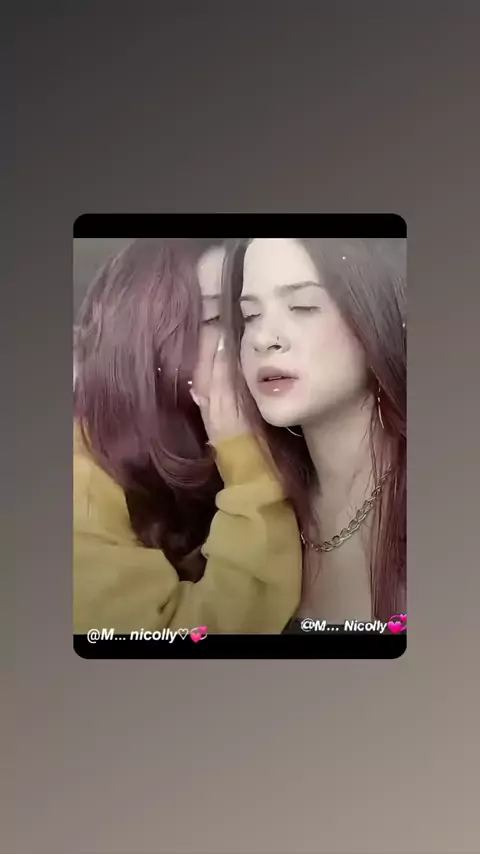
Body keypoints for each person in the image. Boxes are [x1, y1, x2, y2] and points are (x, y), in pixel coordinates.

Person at [73, 238, 302, 634]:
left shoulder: (268, 426)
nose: (254, 338)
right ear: (143, 337)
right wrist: (248, 464)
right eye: (215, 319)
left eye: (246, 316)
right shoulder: (78, 480)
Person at [221, 237, 406, 625]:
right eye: (250, 315)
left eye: (303, 307)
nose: (263, 338)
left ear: (376, 315)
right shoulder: (262, 508)